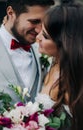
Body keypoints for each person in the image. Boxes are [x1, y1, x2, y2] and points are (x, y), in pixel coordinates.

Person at [35, 0, 83, 130]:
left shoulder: (72, 82)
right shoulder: (53, 62)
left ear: (64, 43)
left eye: (45, 36)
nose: (37, 37)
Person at [0, 0, 54, 102]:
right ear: (11, 13)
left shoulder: (44, 51)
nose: (39, 30)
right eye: (34, 22)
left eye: (44, 22)